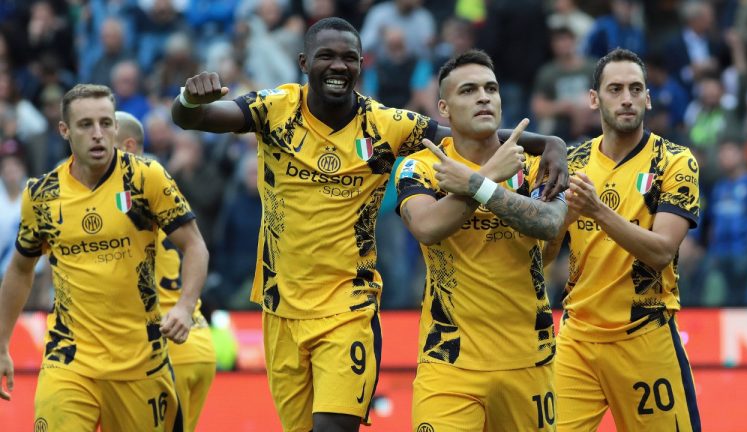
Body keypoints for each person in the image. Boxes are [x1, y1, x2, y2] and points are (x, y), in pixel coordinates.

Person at [171, 17, 567, 431]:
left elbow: (468, 131)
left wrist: (549, 144)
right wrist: (189, 99)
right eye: (326, 56)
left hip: (349, 304)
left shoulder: (387, 125)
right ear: (304, 62)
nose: (338, 66)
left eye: (348, 58)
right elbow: (192, 119)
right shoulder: (274, 109)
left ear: (362, 64)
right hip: (281, 305)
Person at [0, 84, 209, 431]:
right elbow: (21, 269)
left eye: (105, 123)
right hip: (69, 358)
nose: (98, 134)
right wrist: (2, 340)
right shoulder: (42, 195)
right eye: (85, 125)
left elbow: (195, 245)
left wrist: (186, 306)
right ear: (64, 131)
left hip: (140, 362)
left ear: (115, 126)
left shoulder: (145, 179)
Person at [394, 49, 567, 431]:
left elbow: (551, 223)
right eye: (469, 90)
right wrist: (490, 176)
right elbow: (425, 226)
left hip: (529, 360)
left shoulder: (535, 164)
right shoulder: (422, 166)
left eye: (491, 88)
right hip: (449, 363)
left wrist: (478, 183)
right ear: (444, 107)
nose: (484, 97)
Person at [543, 48, 701, 431]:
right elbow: (543, 256)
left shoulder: (675, 161)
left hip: (645, 335)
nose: (626, 98)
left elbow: (662, 251)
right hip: (578, 337)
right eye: (615, 89)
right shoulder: (574, 163)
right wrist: (560, 219)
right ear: (594, 99)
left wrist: (597, 211)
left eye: (635, 89)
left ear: (648, 97)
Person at [116, 110, 217, 431]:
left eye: (107, 136)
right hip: (198, 341)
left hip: (166, 343)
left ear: (129, 146)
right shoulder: (169, 197)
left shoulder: (129, 196)